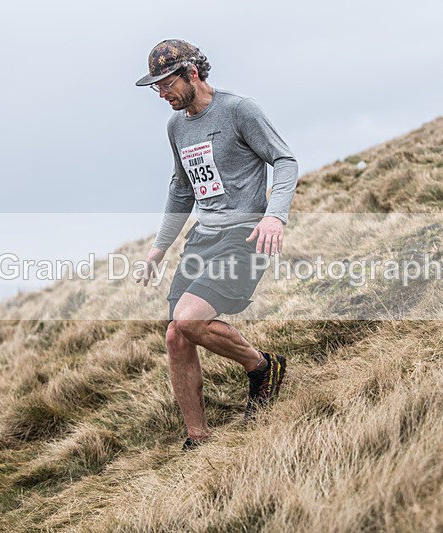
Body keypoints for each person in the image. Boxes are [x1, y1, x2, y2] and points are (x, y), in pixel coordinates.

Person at [135, 39, 299, 451]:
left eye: (166, 83)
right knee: (177, 335)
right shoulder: (176, 127)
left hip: (244, 236)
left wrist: (274, 216)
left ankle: (262, 367)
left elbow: (285, 161)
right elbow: (181, 188)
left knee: (189, 320)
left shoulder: (240, 110)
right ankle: (198, 438)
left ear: (192, 73)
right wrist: (159, 248)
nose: (162, 94)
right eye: (155, 87)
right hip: (202, 240)